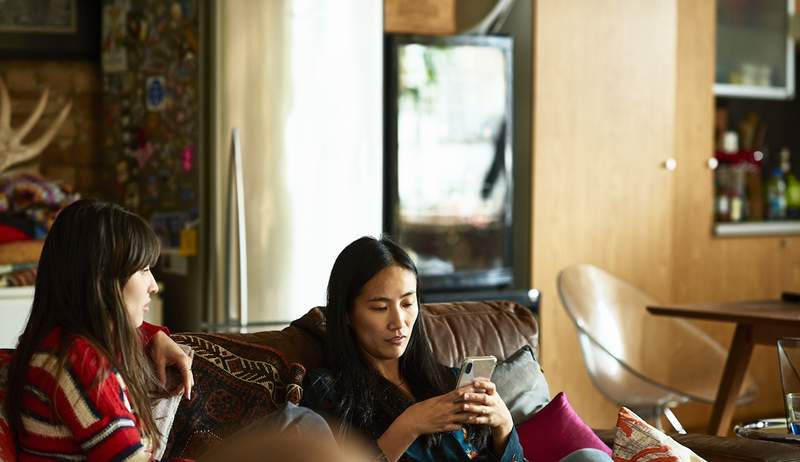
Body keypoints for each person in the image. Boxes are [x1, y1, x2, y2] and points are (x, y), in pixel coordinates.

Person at [302, 236, 524, 462]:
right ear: (347, 314)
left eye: (408, 304)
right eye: (380, 308)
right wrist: (409, 426)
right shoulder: (329, 392)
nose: (399, 322)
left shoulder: (447, 380)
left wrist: (504, 426)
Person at [4, 199, 193, 461]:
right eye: (144, 270)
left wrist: (153, 334)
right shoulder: (79, 361)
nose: (153, 286)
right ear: (103, 279)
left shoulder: (59, 346)